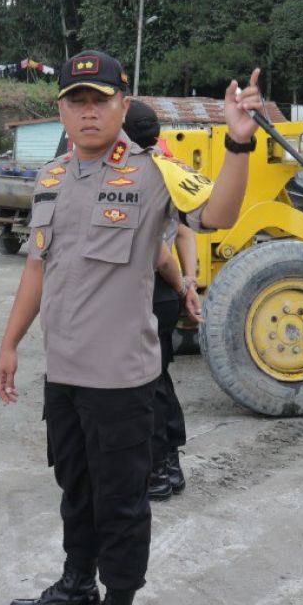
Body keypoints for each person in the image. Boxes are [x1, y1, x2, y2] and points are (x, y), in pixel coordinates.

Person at [0, 50, 263, 605]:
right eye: (77, 102)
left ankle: (119, 596)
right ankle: (76, 585)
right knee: (75, 489)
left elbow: (220, 215)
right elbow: (37, 270)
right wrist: (10, 342)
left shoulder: (155, 173)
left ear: (123, 104)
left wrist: (238, 144)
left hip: (121, 381)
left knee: (121, 502)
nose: (88, 113)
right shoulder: (50, 178)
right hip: (65, 376)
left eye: (100, 101)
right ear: (62, 111)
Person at [121, 99, 200, 502]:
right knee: (159, 378)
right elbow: (185, 233)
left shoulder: (133, 174)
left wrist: (182, 282)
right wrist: (191, 282)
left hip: (146, 289)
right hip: (165, 293)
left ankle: (155, 466)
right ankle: (169, 462)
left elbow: (159, 252)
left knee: (143, 385)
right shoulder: (170, 169)